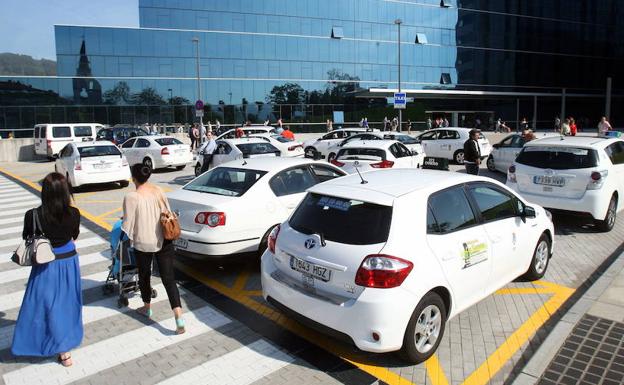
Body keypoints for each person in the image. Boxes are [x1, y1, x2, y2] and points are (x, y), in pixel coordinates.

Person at [12, 173, 83, 367]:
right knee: (65, 305)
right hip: (69, 262)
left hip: (46, 263)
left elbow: (28, 236)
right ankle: (64, 349)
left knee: (42, 304)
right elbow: (73, 236)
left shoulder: (33, 215)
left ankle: (49, 345)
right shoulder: (74, 213)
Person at [122, 164, 185, 334]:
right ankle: (178, 316)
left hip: (143, 243)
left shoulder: (131, 197)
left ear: (133, 178)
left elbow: (127, 225)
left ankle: (147, 307)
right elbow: (167, 212)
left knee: (144, 275)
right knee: (168, 279)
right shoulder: (158, 190)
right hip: (164, 240)